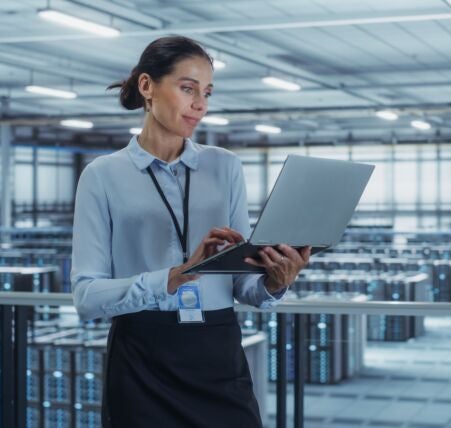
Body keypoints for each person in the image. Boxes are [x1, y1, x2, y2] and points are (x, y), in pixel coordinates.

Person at [70, 35, 311, 428]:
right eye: (188, 88)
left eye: (207, 92)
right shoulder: (102, 176)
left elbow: (243, 286)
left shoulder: (225, 167)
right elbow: (86, 296)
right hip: (142, 358)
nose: (200, 104)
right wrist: (174, 277)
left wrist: (274, 282)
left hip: (216, 353)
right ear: (147, 86)